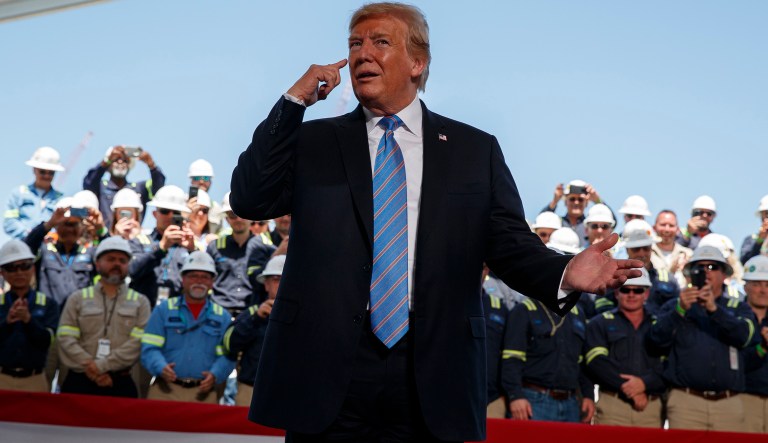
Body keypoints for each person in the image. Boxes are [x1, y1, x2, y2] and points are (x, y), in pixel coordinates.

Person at [229, 3, 641, 441]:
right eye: (354, 43)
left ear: (417, 62)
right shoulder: (314, 140)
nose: (361, 54)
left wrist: (563, 271)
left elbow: (507, 244)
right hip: (326, 371)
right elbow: (251, 197)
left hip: (432, 371)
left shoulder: (473, 150)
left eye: (380, 42)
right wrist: (294, 102)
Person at [647, 245, 758, 431]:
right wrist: (679, 311)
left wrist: (715, 310)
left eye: (713, 267)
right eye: (700, 267)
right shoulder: (674, 305)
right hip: (686, 402)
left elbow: (745, 337)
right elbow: (655, 340)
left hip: (728, 403)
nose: (706, 272)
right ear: (690, 275)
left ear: (724, 275)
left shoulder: (738, 306)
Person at [56, 237, 151, 397]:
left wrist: (102, 366)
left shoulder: (140, 302)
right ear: (97, 263)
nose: (117, 264)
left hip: (120, 382)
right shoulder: (77, 298)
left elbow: (137, 344)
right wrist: (92, 368)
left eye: (122, 260)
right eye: (111, 259)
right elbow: (65, 338)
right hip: (80, 379)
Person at [141, 251, 235, 403]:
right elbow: (149, 348)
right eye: (193, 276)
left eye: (205, 277)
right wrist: (160, 366)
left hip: (204, 394)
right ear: (183, 279)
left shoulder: (223, 317)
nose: (199, 281)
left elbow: (227, 355)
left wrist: (216, 374)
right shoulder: (163, 310)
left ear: (212, 282)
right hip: (165, 391)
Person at [585, 268, 665, 428]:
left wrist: (644, 384)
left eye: (637, 290)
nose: (631, 294)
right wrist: (629, 389)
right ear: (616, 293)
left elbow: (668, 365)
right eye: (626, 289)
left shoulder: (661, 326)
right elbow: (596, 362)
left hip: (650, 407)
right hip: (613, 406)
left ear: (646, 294)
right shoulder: (600, 323)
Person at [501, 286, 594, 423]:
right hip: (533, 401)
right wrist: (515, 396)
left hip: (571, 404)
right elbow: (511, 358)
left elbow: (582, 362)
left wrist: (589, 395)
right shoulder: (524, 310)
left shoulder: (578, 313)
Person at [225, 254, 285, 406]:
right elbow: (229, 344)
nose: (283, 284)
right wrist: (256, 319)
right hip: (250, 391)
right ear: (266, 284)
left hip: (288, 392)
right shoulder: (252, 313)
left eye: (286, 279)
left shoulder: (305, 317)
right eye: (276, 280)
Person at [0, 240, 59, 392]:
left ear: (33, 268)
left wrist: (28, 320)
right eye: (12, 268)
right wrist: (7, 323)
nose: (19, 272)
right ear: (2, 272)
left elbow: (47, 341)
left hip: (35, 380)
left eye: (24, 266)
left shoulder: (48, 304)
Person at [128, 185, 196, 307]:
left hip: (177, 312)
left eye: (175, 213)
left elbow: (201, 279)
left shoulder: (188, 245)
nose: (170, 216)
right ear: (155, 214)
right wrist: (161, 247)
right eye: (165, 211)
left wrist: (192, 251)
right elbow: (132, 270)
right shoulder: (139, 241)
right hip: (142, 311)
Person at [208, 192, 275, 315]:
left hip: (251, 315)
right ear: (227, 219)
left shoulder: (265, 247)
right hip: (218, 313)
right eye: (233, 214)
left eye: (242, 214)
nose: (238, 219)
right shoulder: (214, 247)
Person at [82, 145, 165, 230]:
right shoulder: (100, 187)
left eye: (125, 160)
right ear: (109, 165)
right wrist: (106, 162)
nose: (120, 162)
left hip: (134, 238)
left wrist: (151, 165)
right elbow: (88, 183)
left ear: (129, 166)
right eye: (116, 160)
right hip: (106, 238)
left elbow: (158, 189)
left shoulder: (139, 188)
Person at [4, 146, 65, 240]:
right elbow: (9, 222)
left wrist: (52, 236)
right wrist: (31, 234)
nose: (47, 176)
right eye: (42, 172)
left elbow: (64, 224)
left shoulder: (60, 199)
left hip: (50, 249)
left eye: (51, 173)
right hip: (23, 247)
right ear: (34, 169)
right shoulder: (18, 194)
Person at [741, 255, 768, 433]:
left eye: (767, 285)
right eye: (757, 284)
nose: (763, 291)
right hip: (743, 399)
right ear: (745, 287)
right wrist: (762, 348)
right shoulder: (733, 317)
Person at [542, 179, 608, 247]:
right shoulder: (557, 222)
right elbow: (541, 223)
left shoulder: (592, 226)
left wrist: (597, 200)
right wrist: (554, 201)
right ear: (565, 202)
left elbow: (610, 222)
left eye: (580, 199)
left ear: (587, 203)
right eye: (572, 199)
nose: (576, 202)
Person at [650, 209, 692, 288]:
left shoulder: (688, 254)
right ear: (654, 228)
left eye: (671, 226)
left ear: (678, 230)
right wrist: (670, 272)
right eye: (663, 225)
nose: (667, 229)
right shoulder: (647, 253)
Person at [188, 159, 224, 234]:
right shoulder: (181, 203)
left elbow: (220, 233)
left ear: (210, 181)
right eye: (197, 178)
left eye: (206, 178)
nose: (201, 181)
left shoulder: (217, 208)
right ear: (191, 180)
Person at [740, 195, 768, 265]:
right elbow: (744, 262)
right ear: (762, 216)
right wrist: (759, 241)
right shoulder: (751, 240)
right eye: (767, 214)